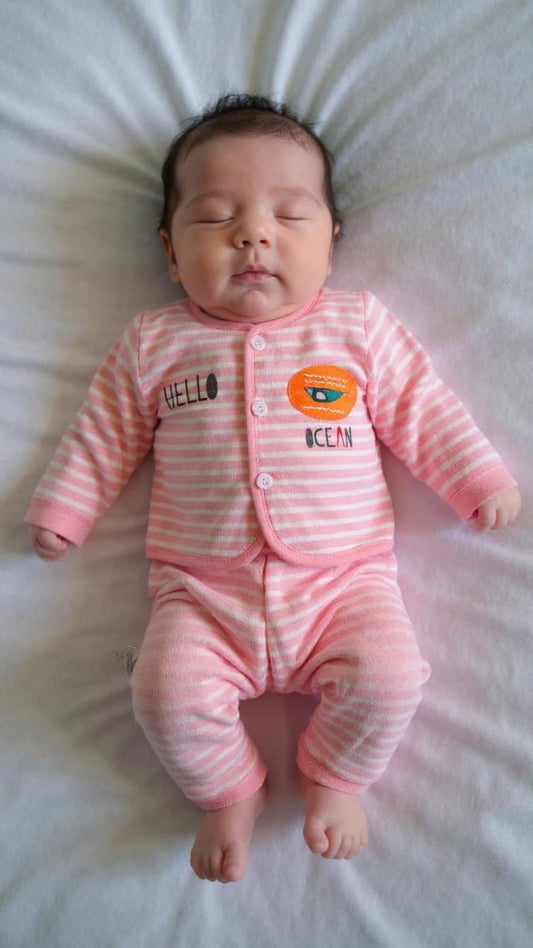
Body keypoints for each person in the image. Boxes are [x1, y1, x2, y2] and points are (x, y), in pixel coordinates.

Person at [25, 94, 521, 884]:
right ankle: (229, 789)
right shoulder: (155, 341)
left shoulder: (355, 327)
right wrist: (65, 508)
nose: (253, 233)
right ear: (169, 250)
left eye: (290, 216)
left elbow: (421, 407)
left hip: (343, 583)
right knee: (162, 693)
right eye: (215, 216)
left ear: (331, 241)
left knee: (391, 678)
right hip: (199, 591)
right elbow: (105, 431)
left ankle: (332, 775)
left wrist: (474, 478)